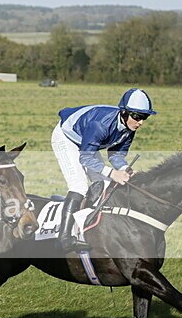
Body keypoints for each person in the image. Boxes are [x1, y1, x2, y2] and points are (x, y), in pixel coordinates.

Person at [51, 88, 155, 253]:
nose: (141, 122)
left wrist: (126, 169)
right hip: (67, 138)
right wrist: (113, 173)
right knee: (79, 186)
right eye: (137, 117)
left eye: (144, 117)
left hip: (87, 142)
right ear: (124, 113)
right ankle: (63, 239)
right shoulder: (101, 125)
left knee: (103, 184)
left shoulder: (129, 128)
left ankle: (87, 229)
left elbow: (115, 156)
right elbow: (85, 158)